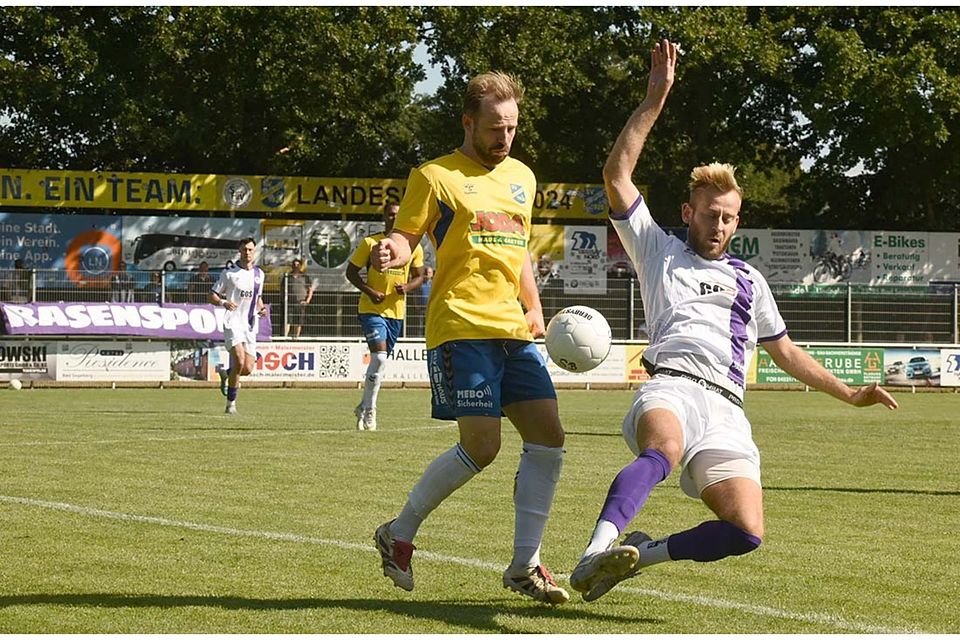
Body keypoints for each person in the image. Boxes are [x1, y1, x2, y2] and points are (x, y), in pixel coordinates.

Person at [567, 39, 899, 603]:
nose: (719, 225)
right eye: (710, 214)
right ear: (687, 213)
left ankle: (638, 556)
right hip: (670, 385)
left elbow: (786, 353)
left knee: (746, 530)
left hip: (727, 407)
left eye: (729, 217)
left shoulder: (751, 280)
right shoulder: (657, 248)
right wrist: (655, 97)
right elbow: (617, 175)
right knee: (662, 452)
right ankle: (594, 550)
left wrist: (850, 393)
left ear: (737, 220)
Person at [370, 71, 569, 604]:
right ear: (467, 122)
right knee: (483, 447)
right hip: (461, 325)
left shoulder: (523, 177)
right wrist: (392, 250)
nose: (504, 139)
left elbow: (519, 250)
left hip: (511, 327)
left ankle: (525, 565)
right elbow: (406, 234)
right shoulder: (434, 175)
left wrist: (534, 306)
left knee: (549, 438)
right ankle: (399, 532)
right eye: (494, 129)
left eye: (511, 129)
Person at [346, 202, 425, 431]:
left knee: (381, 364)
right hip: (371, 309)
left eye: (398, 216)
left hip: (396, 313)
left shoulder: (413, 248)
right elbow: (351, 272)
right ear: (384, 217)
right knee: (379, 358)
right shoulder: (371, 243)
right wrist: (370, 291)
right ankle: (371, 411)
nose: (394, 218)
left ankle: (364, 405)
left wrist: (408, 287)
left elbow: (420, 275)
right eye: (390, 215)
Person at [209, 237, 266, 415]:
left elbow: (257, 298)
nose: (247, 253)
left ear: (254, 251)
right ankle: (230, 404)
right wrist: (224, 303)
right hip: (232, 322)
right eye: (244, 250)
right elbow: (213, 295)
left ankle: (227, 374)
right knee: (239, 360)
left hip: (249, 325)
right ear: (239, 252)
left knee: (247, 368)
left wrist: (262, 308)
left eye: (250, 249)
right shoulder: (229, 273)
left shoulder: (259, 274)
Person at [284, 258, 315, 338]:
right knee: (287, 321)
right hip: (289, 302)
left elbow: (310, 289)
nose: (296, 266)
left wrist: (307, 301)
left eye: (298, 265)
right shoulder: (288, 276)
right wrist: (284, 300)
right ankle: (285, 338)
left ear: (300, 266)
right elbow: (282, 289)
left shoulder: (305, 277)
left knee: (298, 322)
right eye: (294, 265)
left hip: (300, 302)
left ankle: (295, 339)